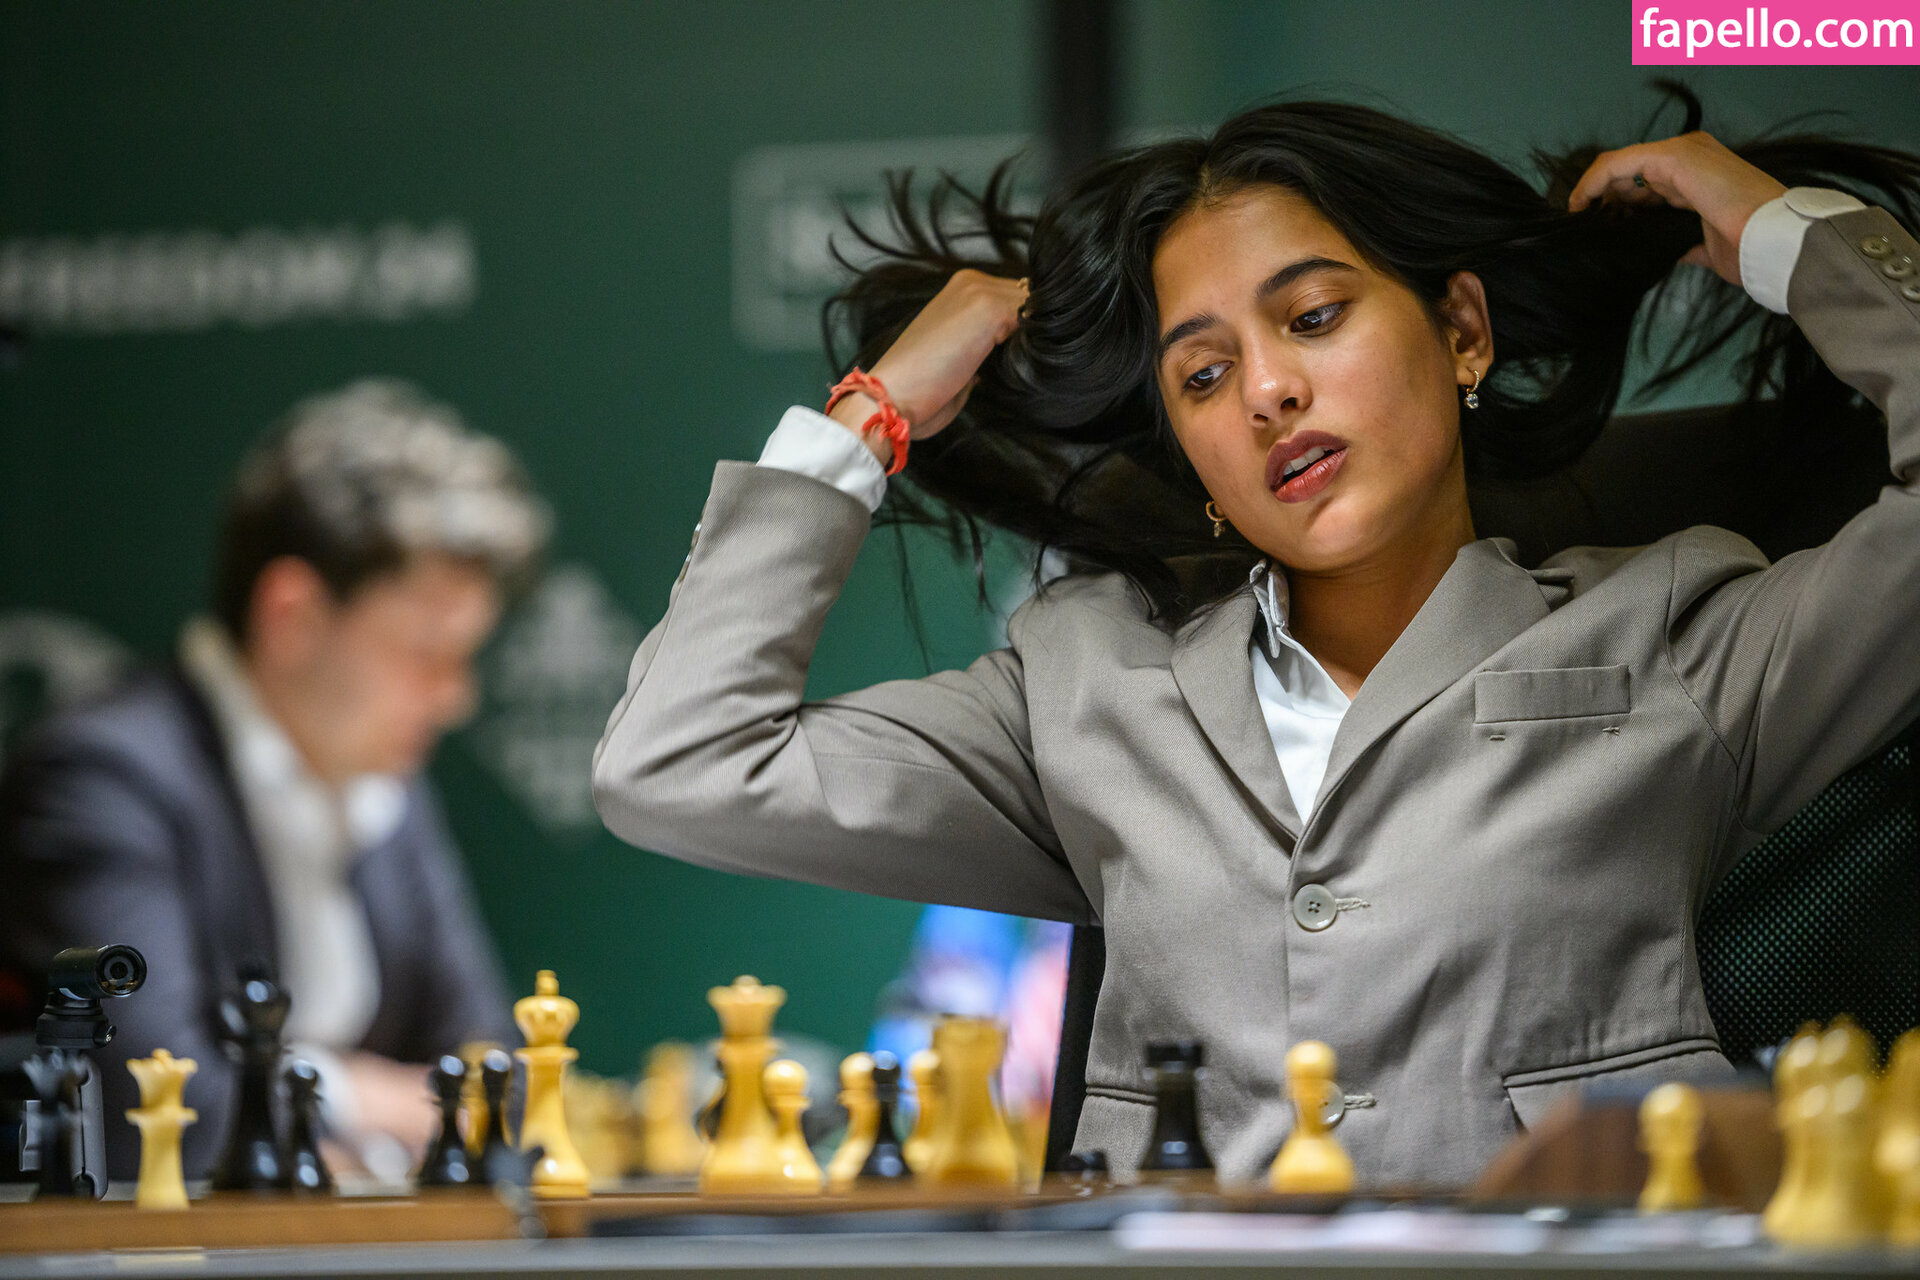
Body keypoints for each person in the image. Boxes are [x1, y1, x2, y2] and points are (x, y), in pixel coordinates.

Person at [592, 91, 1920, 1188]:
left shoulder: (1674, 633)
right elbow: (680, 762)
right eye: (1204, 374)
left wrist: (1789, 235)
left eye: (1314, 317)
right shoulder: (1083, 679)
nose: (1270, 390)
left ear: (1462, 330)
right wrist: (870, 414)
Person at [0, 379, 551, 1181]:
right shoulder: (98, 781)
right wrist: (356, 1096)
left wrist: (329, 1114)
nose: (455, 697)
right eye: (427, 654)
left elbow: (495, 1089)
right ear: (292, 616)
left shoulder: (385, 785)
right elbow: (159, 1116)